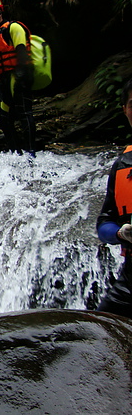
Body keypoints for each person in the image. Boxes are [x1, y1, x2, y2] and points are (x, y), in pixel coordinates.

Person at [0, 0, 36, 154]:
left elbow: (22, 52)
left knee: (24, 114)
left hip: (19, 78)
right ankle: (15, 153)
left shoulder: (14, 28)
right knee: (4, 120)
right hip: (4, 83)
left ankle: (31, 152)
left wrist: (21, 77)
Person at [96, 78, 132, 318]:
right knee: (98, 332)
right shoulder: (122, 165)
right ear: (125, 111)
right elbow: (104, 223)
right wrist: (120, 234)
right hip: (130, 281)